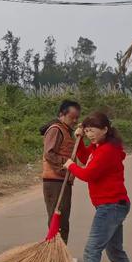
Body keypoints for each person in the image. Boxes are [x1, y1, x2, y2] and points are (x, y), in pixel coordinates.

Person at [57, 112, 132, 262]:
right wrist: (80, 140)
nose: (90, 134)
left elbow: (89, 173)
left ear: (105, 129)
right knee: (116, 252)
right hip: (112, 205)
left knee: (92, 249)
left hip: (111, 206)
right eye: (87, 131)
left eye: (92, 130)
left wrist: (70, 165)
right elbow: (87, 158)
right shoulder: (99, 147)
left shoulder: (108, 150)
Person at [40, 100, 89, 248]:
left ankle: (60, 253)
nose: (75, 121)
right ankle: (55, 255)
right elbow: (49, 154)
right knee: (58, 220)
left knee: (63, 219)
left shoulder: (66, 131)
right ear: (62, 114)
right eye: (72, 117)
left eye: (77, 118)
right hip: (55, 181)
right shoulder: (56, 129)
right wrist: (67, 163)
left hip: (63, 180)